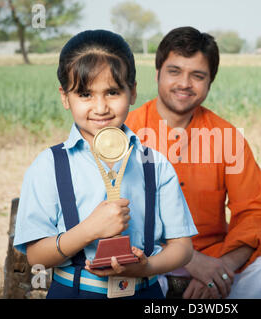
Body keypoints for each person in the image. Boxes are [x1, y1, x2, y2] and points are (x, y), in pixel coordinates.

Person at [13, 30, 197, 299]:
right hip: (74, 291)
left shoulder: (155, 164)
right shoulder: (48, 166)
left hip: (145, 291)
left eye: (112, 92)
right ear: (65, 97)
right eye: (85, 94)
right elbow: (37, 256)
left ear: (132, 92)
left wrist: (146, 267)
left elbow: (183, 247)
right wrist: (89, 229)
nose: (100, 108)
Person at [125, 26, 261, 299]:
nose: (184, 83)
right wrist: (188, 260)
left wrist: (222, 268)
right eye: (174, 71)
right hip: (149, 257)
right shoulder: (127, 131)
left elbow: (256, 213)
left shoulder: (227, 137)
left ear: (209, 83)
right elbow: (115, 216)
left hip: (215, 256)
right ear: (157, 74)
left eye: (197, 76)